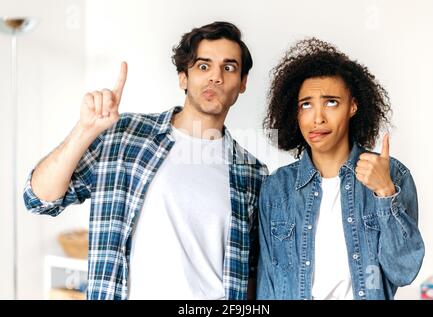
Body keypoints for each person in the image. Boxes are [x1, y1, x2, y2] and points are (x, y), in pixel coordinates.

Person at [23, 21, 267, 300]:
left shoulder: (253, 173)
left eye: (229, 67)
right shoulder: (125, 136)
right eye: (203, 66)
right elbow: (38, 198)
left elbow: (250, 274)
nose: (215, 76)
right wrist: (84, 131)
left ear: (243, 82)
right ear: (183, 77)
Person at [257, 38, 424, 300]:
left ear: (353, 106)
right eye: (306, 104)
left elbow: (403, 271)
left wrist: (384, 192)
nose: (318, 117)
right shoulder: (277, 189)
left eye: (331, 102)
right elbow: (267, 284)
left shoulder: (392, 175)